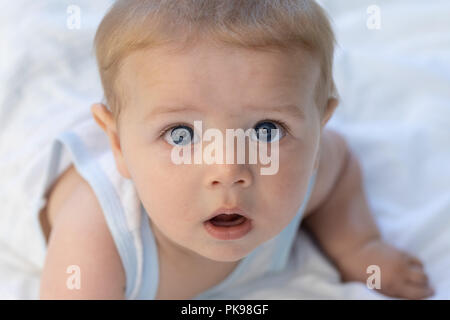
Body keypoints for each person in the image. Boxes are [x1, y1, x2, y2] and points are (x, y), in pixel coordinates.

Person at [39, 0, 434, 299]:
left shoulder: (306, 171)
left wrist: (357, 244)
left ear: (318, 129)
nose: (228, 169)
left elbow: (342, 163)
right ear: (118, 145)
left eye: (266, 130)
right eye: (180, 135)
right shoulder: (97, 240)